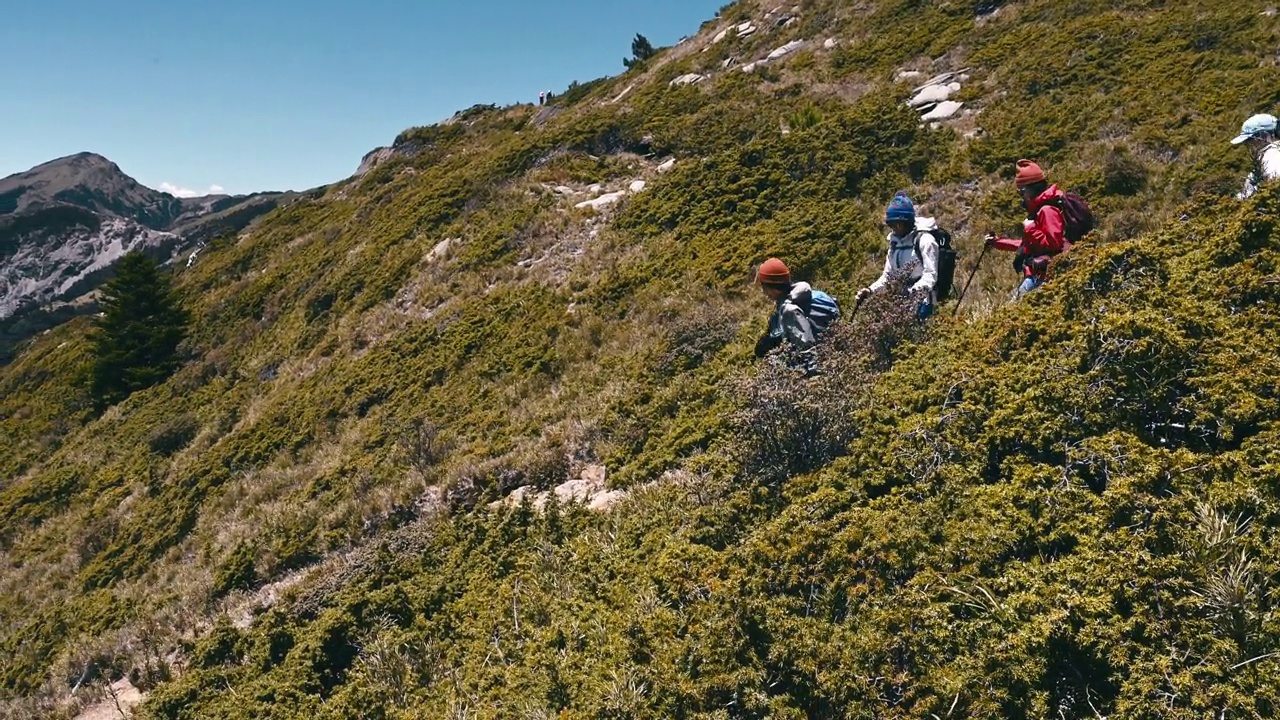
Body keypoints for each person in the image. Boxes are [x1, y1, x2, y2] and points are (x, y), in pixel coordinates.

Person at [984, 159, 1067, 298]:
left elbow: (1054, 244)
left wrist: (1031, 228)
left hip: (1042, 278)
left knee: (1011, 315)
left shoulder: (1047, 210)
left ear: (1030, 189)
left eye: (1021, 192)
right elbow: (1027, 246)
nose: (1022, 197)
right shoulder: (1040, 210)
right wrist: (997, 242)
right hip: (1037, 276)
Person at [856, 191, 939, 319]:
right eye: (892, 224)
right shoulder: (894, 244)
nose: (895, 228)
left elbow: (930, 275)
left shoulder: (925, 240)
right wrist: (870, 290)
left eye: (899, 224)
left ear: (907, 221)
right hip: (901, 303)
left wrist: (913, 293)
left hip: (924, 303)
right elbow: (888, 276)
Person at [753, 258, 840, 372]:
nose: (764, 293)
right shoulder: (815, 294)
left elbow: (807, 350)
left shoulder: (789, 310)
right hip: (838, 345)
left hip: (822, 362)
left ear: (773, 288)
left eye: (764, 288)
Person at [1232, 113, 1280, 200]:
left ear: (1265, 135)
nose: (1248, 144)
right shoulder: (1264, 157)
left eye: (1250, 139)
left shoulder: (1272, 158)